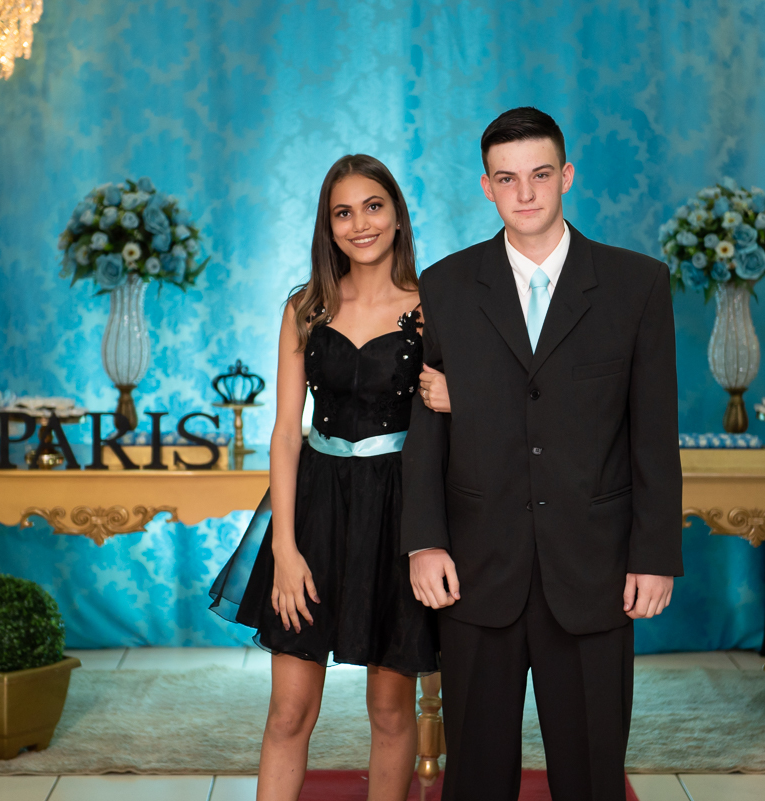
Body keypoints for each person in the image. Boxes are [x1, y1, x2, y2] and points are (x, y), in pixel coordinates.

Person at [401, 107, 683, 801]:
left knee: (591, 775)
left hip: (594, 568)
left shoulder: (637, 284)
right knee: (475, 777)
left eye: (540, 174)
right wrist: (425, 543)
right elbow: (426, 430)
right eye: (507, 178)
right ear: (486, 187)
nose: (524, 193)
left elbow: (653, 432)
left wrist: (654, 553)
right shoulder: (444, 286)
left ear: (567, 176)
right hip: (476, 567)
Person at [209, 154, 437, 801]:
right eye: (343, 212)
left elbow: (458, 418)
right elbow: (286, 433)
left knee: (390, 711)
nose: (360, 223)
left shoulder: (430, 310)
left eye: (373, 206)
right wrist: (284, 549)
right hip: (314, 510)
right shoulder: (305, 308)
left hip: (397, 511)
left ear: (397, 215)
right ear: (327, 226)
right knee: (288, 712)